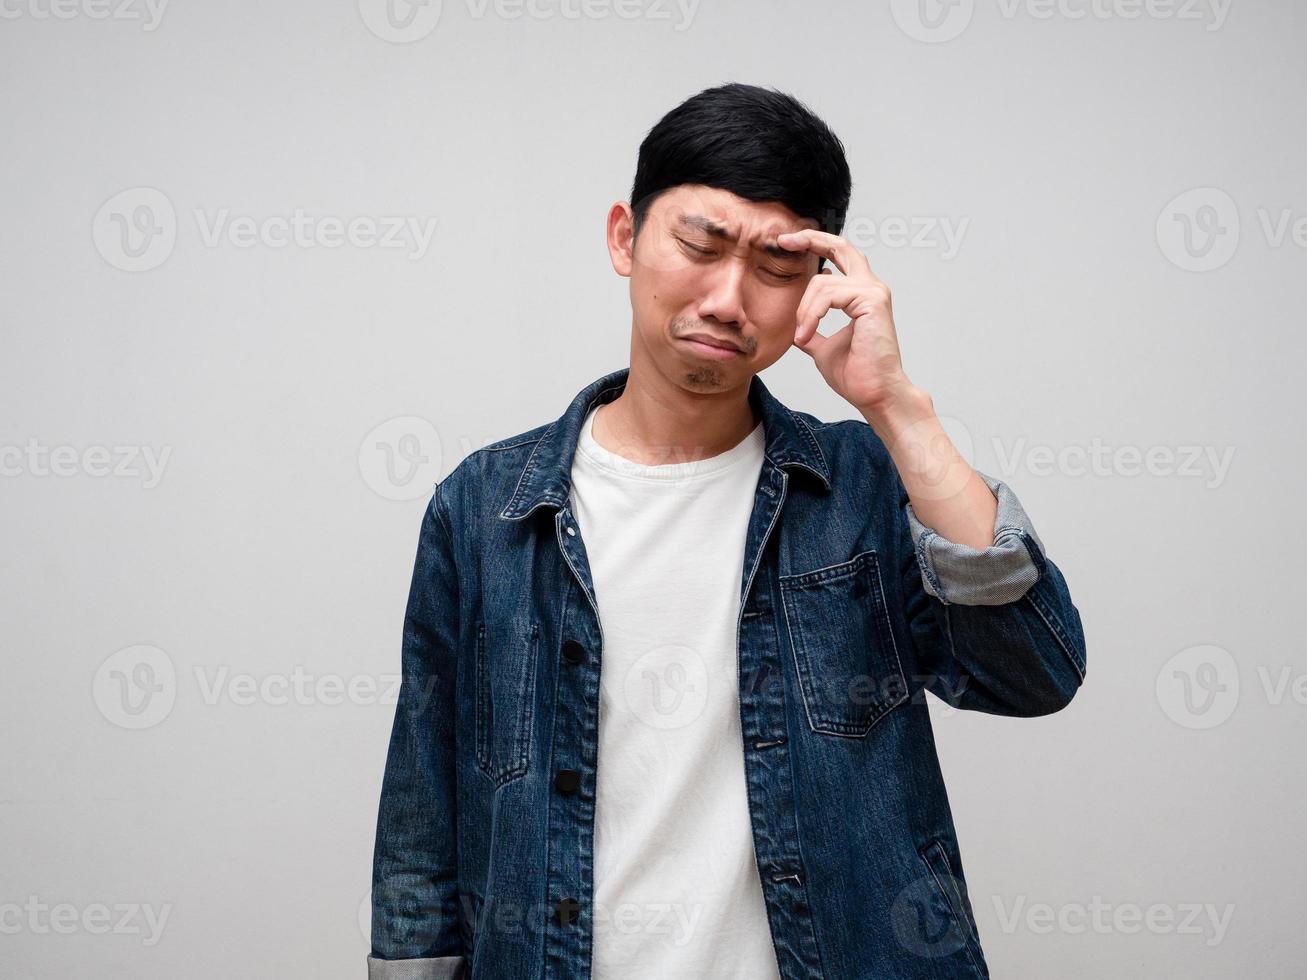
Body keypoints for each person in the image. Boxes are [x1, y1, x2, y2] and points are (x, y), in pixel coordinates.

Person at [368, 82, 1087, 980]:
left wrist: (897, 410)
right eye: (699, 246)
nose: (727, 298)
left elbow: (1033, 675)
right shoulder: (483, 509)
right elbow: (421, 814)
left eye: (776, 269)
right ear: (624, 239)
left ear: (818, 289)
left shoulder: (861, 485)